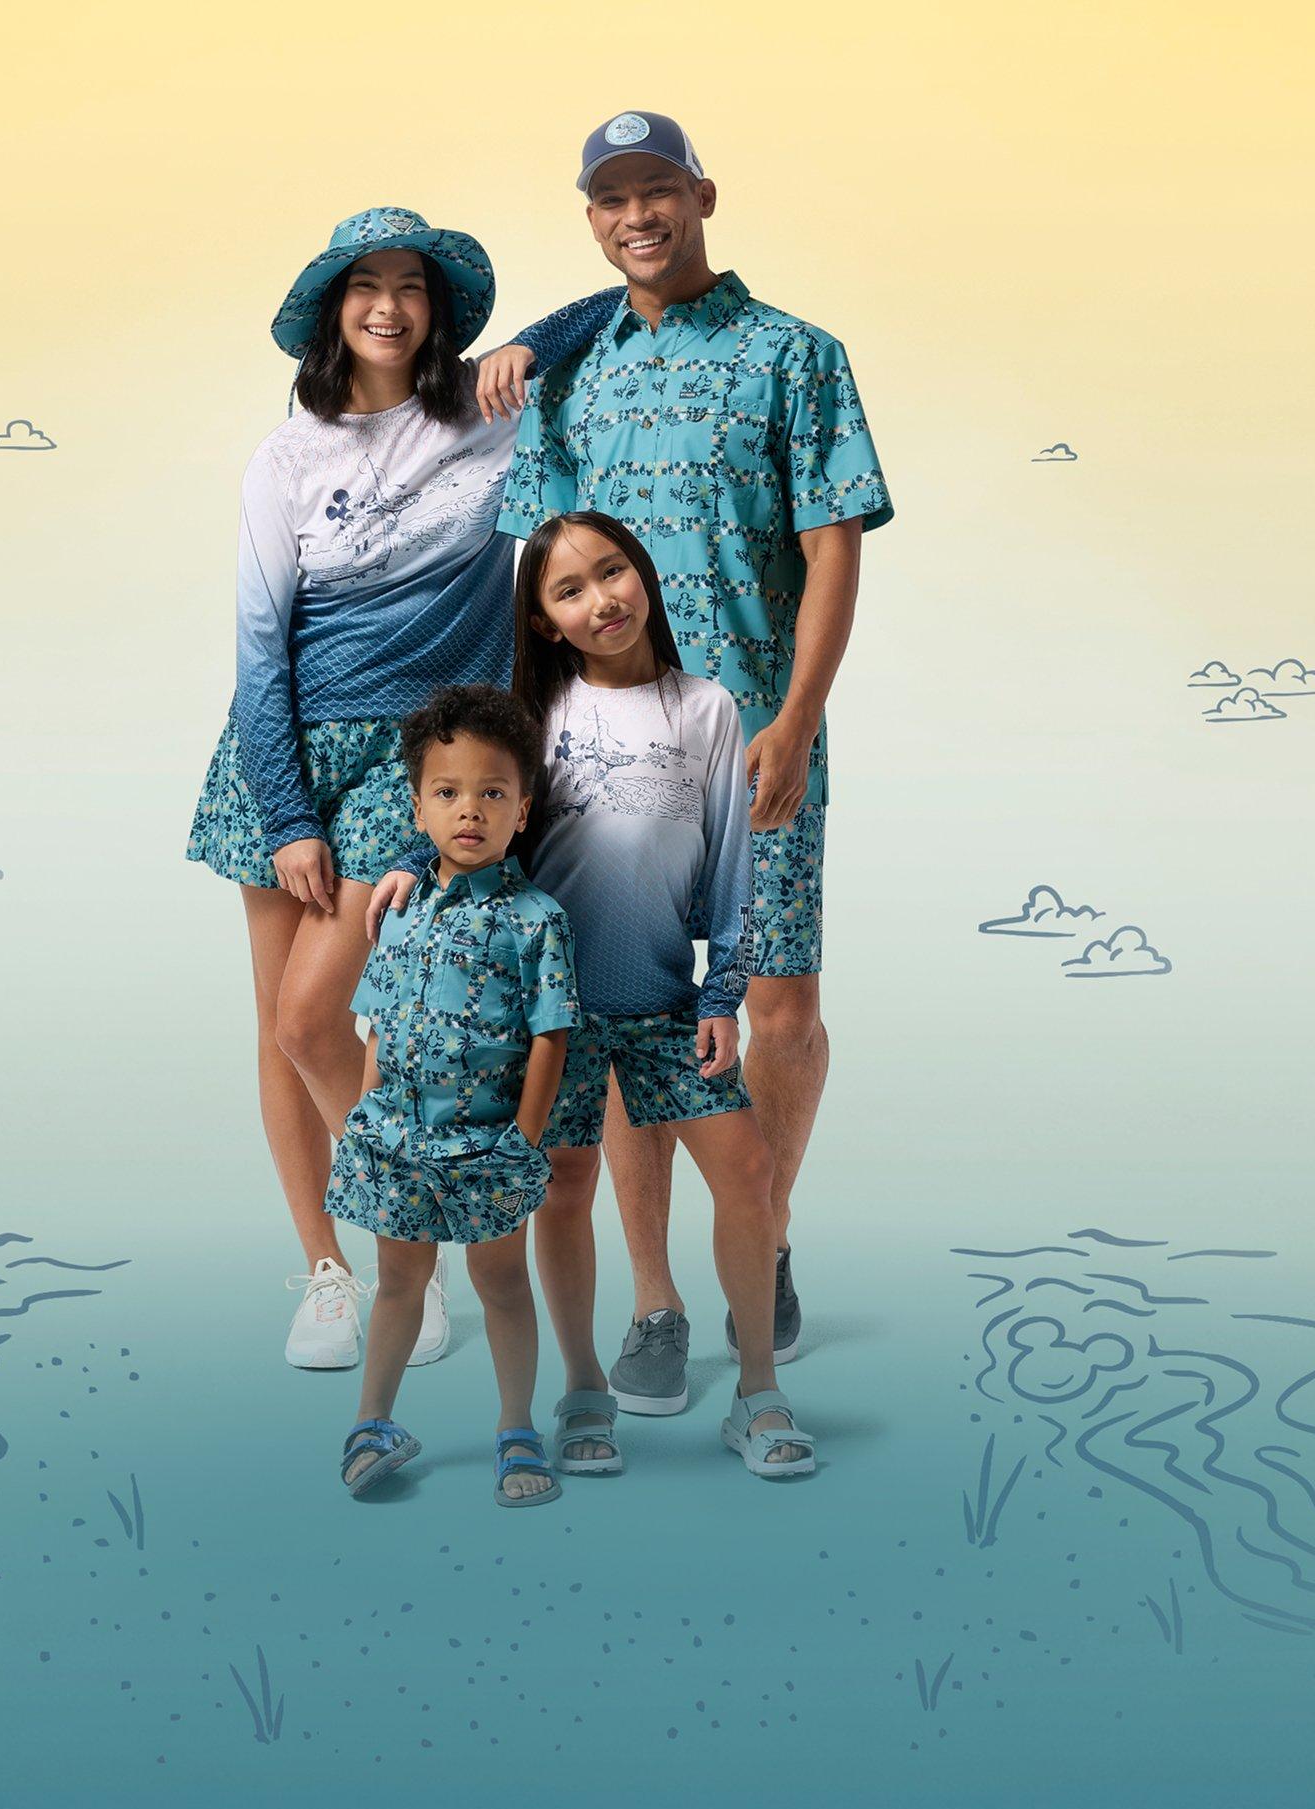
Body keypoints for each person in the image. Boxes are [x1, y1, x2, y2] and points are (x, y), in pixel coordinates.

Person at [479, 114, 893, 1411]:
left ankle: (759, 1234)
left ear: (702, 195)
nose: (636, 216)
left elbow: (834, 549)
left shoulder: (796, 358)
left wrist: (801, 716)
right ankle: (655, 1298)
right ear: (590, 221)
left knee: (779, 1014)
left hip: (761, 741)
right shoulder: (570, 371)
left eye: (657, 190)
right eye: (611, 200)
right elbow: (535, 571)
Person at [181, 207, 612, 1374]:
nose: (387, 305)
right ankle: (335, 1273)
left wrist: (522, 342)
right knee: (279, 1031)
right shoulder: (286, 456)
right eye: (363, 285)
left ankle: (406, 1245)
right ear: (333, 309)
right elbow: (259, 652)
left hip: (421, 758)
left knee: (317, 1017)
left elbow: (611, 308)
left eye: (410, 285)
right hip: (285, 757)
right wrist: (284, 817)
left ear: (437, 307)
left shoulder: (483, 419)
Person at [369, 513, 817, 1478]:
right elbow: (475, 801)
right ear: (542, 621)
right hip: (555, 1021)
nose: (601, 599)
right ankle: (581, 1392)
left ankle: (758, 1393)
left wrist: (721, 994)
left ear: (642, 574)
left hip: (664, 1003)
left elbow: (733, 869)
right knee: (564, 1190)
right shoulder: (540, 722)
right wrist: (414, 861)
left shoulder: (706, 710)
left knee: (743, 1172)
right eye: (568, 590)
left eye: (612, 572)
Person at [323, 687, 576, 1506]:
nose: (470, 810)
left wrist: (524, 1143)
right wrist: (364, 1120)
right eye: (447, 792)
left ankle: (516, 1428)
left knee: (501, 1283)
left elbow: (551, 1034)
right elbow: (376, 1026)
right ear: (418, 807)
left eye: (492, 792)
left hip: (488, 1146)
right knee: (398, 1282)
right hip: (393, 1142)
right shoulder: (395, 910)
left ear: (523, 809)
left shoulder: (538, 920)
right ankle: (371, 1422)